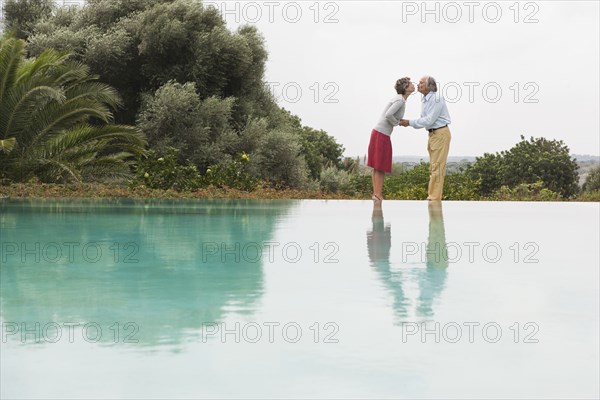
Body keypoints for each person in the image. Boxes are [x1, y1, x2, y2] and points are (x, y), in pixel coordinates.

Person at [400, 76, 451, 201]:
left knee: (437, 168)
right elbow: (424, 121)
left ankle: (434, 198)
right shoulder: (425, 100)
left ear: (429, 86)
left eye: (422, 83)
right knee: (433, 168)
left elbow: (429, 120)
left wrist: (409, 122)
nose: (418, 84)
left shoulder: (437, 98)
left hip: (440, 133)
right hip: (433, 135)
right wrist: (410, 123)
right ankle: (432, 197)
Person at [368, 77, 415, 203]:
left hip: (380, 133)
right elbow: (388, 115)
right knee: (380, 166)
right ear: (405, 88)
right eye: (410, 84)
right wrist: (397, 123)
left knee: (378, 166)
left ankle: (376, 195)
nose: (413, 85)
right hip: (381, 134)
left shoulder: (400, 100)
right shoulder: (400, 100)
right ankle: (377, 195)